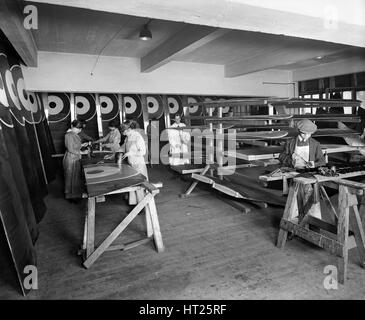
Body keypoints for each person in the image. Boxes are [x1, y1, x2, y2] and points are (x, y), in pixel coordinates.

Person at [120, 120, 148, 205]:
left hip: (138, 164)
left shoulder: (137, 137)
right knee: (132, 185)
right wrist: (113, 154)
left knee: (139, 185)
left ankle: (142, 206)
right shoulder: (128, 137)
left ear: (129, 130)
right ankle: (134, 204)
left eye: (125, 132)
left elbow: (143, 152)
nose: (124, 135)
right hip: (131, 163)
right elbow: (123, 147)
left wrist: (131, 153)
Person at [63, 120, 89, 201]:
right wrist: (82, 152)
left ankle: (74, 194)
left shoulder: (72, 134)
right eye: (79, 129)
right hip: (71, 158)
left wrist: (81, 145)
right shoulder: (69, 135)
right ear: (73, 127)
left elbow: (74, 145)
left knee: (74, 177)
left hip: (74, 157)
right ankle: (72, 196)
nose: (80, 131)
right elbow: (70, 148)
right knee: (71, 177)